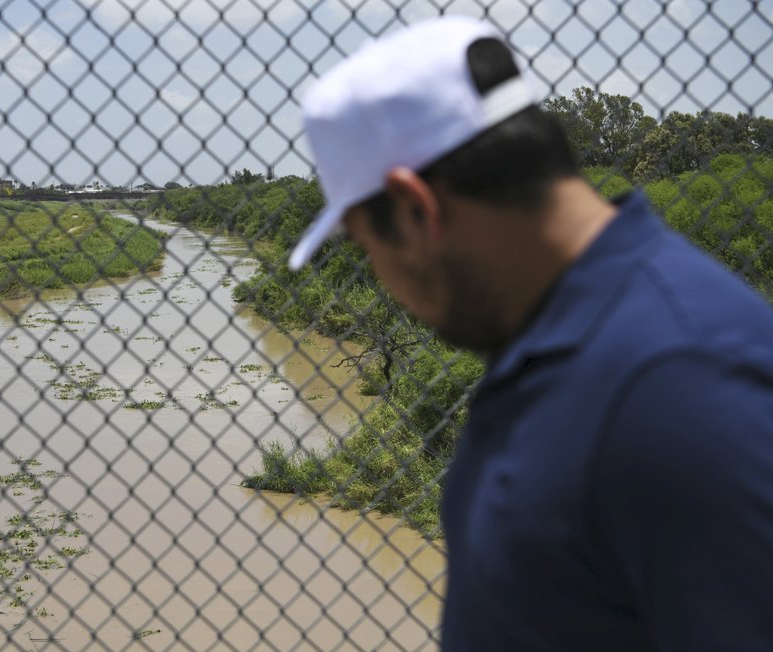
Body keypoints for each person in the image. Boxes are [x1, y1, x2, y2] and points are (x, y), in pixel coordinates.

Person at [287, 15, 773, 652]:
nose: (381, 279)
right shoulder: (566, 338)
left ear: (414, 207)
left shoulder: (680, 386)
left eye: (364, 241)